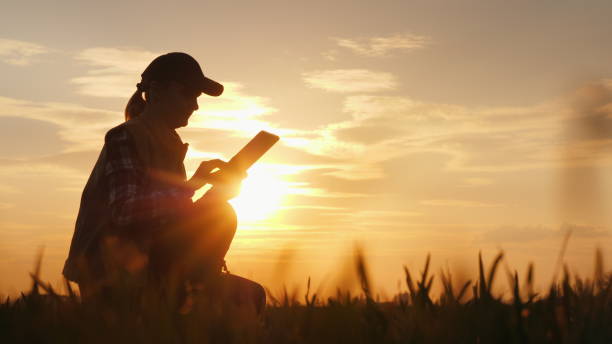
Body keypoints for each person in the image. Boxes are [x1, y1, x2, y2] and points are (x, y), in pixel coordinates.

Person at [62, 52, 266, 313]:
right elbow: (126, 211)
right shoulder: (124, 137)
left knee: (250, 293)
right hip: (114, 280)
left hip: (156, 268)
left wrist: (214, 198)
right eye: (188, 94)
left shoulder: (168, 145)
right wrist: (193, 184)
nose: (195, 105)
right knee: (241, 298)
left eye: (197, 98)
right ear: (156, 91)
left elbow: (169, 217)